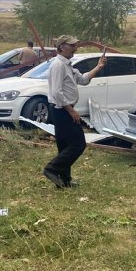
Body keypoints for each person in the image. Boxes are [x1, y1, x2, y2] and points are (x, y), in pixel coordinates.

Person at [43, 35, 107, 188]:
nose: (75, 48)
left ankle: (64, 181)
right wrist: (71, 111)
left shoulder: (67, 65)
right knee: (78, 144)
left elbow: (83, 79)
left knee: (64, 146)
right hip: (62, 110)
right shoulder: (58, 65)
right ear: (61, 47)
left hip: (62, 110)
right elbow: (57, 92)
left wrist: (98, 67)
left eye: (75, 45)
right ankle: (51, 169)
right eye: (71, 46)